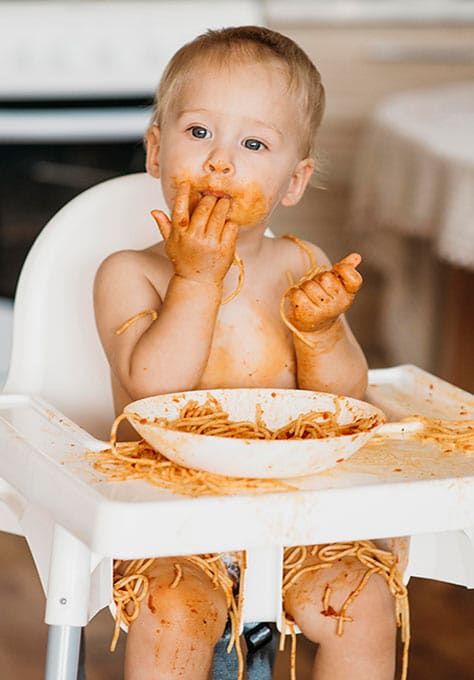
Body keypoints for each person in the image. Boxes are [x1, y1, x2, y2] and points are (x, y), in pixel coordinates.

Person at [94, 25, 405, 680]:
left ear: (293, 182)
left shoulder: (301, 265)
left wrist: (319, 333)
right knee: (170, 613)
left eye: (253, 143)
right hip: (172, 522)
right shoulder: (129, 273)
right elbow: (152, 392)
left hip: (293, 511)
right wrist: (197, 280)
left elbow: (345, 398)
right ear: (155, 151)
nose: (219, 162)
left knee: (364, 606)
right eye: (199, 132)